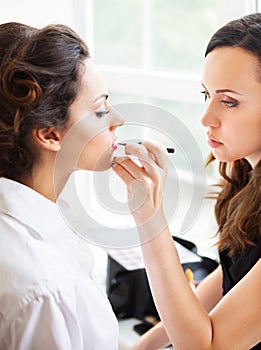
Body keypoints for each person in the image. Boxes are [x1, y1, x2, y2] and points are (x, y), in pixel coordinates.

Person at [113, 13, 261, 350]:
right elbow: (233, 275)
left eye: (229, 101)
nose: (206, 118)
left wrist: (150, 218)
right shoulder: (245, 177)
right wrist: (144, 345)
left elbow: (207, 347)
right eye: (206, 95)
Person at [0, 22, 124, 349]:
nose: (118, 120)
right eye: (99, 111)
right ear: (50, 135)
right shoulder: (44, 290)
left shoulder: (42, 222)